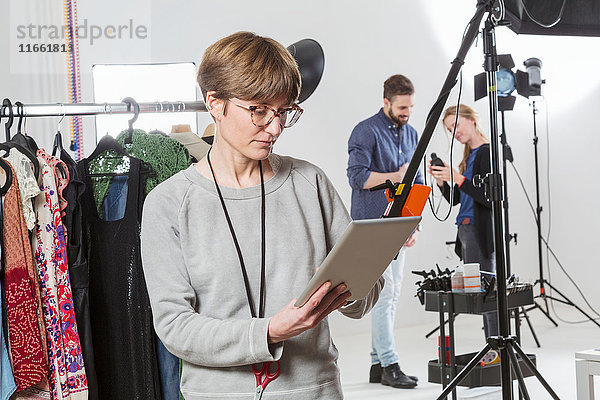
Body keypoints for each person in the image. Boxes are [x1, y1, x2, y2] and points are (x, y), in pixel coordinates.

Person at [140, 31, 382, 400]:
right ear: (215, 103)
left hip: (314, 390)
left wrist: (349, 287)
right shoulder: (168, 203)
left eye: (284, 111)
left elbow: (365, 295)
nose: (275, 127)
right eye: (258, 110)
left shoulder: (310, 183)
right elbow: (175, 327)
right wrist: (269, 331)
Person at [347, 74, 422, 389]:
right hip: (373, 225)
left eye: (410, 107)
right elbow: (358, 179)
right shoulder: (365, 131)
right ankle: (390, 364)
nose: (407, 112)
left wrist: (413, 223)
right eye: (402, 107)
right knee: (384, 295)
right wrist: (396, 175)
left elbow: (416, 182)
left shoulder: (412, 133)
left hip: (399, 225)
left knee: (390, 296)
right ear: (386, 102)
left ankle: (377, 366)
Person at [428, 104, 498, 338]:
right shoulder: (469, 156)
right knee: (480, 290)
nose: (454, 132)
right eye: (450, 129)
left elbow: (490, 199)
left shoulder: (488, 153)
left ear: (471, 119)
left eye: (456, 125)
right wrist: (442, 181)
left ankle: (496, 345)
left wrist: (457, 177)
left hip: (480, 229)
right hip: (465, 229)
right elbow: (457, 198)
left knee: (487, 290)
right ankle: (492, 344)